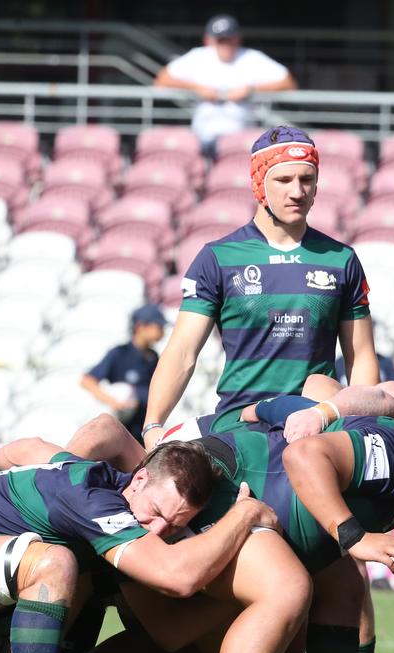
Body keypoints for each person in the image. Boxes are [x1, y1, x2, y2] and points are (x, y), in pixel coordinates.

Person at [60, 380, 394, 653]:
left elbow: (390, 395)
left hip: (223, 472)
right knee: (265, 603)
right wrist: (354, 535)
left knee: (299, 612)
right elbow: (319, 421)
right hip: (212, 483)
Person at [0, 439, 277, 653]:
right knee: (56, 565)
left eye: (174, 525)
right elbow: (176, 579)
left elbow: (26, 447)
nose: (157, 531)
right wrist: (244, 514)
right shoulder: (96, 504)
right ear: (139, 480)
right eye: (156, 511)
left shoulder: (96, 476)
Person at [144, 125, 379, 449]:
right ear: (259, 183)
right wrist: (152, 425)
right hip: (237, 425)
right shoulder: (218, 258)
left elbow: (361, 355)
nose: (297, 191)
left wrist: (364, 426)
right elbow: (182, 351)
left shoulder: (341, 260)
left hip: (311, 427)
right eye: (283, 180)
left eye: (306, 179)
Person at [153, 14, 297, 154]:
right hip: (203, 136)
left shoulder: (252, 58)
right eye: (221, 40)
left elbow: (288, 83)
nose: (226, 45)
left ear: (238, 39)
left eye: (230, 39)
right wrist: (196, 88)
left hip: (242, 140)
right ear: (209, 40)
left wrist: (251, 90)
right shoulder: (198, 56)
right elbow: (161, 79)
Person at [80, 304, 167, 443]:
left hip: (143, 429)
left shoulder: (153, 357)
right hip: (122, 430)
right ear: (140, 326)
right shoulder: (120, 353)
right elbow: (87, 380)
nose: (162, 331)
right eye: (158, 326)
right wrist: (113, 402)